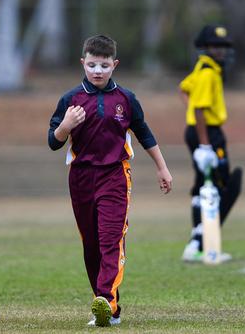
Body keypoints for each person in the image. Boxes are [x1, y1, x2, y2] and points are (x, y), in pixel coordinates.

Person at [48, 35, 173, 327]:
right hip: (80, 178)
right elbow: (53, 142)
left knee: (110, 240)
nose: (98, 71)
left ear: (114, 65)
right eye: (92, 65)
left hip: (115, 176)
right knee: (91, 245)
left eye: (104, 65)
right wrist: (65, 126)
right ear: (83, 63)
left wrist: (162, 168)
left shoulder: (126, 99)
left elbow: (144, 134)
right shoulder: (70, 100)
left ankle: (105, 298)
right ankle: (108, 307)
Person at [179, 25, 243, 262]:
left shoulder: (203, 69)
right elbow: (199, 107)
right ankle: (201, 243)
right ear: (205, 47)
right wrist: (205, 144)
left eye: (224, 47)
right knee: (220, 186)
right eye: (216, 47)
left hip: (199, 130)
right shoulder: (207, 74)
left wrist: (193, 120)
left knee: (202, 186)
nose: (221, 52)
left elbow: (184, 90)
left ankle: (198, 243)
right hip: (208, 134)